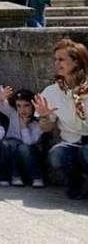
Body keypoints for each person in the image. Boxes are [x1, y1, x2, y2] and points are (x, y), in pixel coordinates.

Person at [34, 38, 88, 199]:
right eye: (55, 59)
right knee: (56, 155)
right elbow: (46, 128)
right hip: (71, 143)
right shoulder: (52, 91)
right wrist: (44, 115)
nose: (57, 63)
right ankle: (75, 183)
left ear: (77, 62)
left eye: (62, 59)